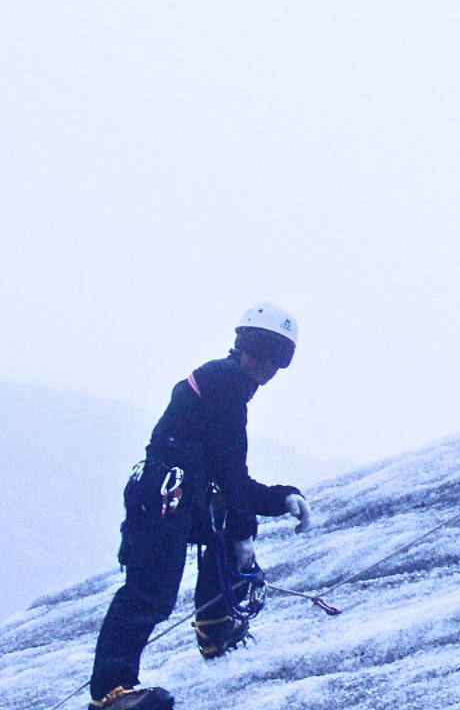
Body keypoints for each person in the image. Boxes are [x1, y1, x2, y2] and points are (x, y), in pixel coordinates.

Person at [87, 303, 312, 710]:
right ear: (241, 343)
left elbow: (233, 478)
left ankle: (214, 624)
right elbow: (230, 466)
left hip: (174, 491)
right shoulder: (226, 380)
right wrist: (246, 528)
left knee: (217, 525)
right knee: (150, 593)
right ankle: (111, 692)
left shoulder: (226, 385)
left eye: (279, 357)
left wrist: (283, 497)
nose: (266, 363)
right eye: (260, 348)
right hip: (168, 492)